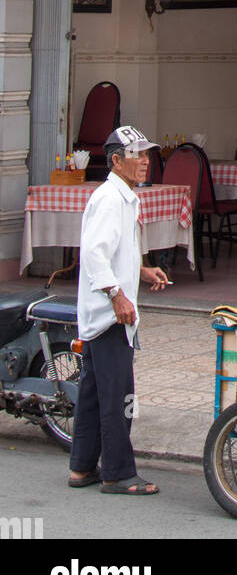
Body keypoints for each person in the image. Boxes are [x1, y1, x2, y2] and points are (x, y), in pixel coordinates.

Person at [68, 125, 169, 495]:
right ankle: (118, 473)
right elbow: (94, 254)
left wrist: (140, 271)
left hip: (104, 313)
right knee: (119, 396)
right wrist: (118, 295)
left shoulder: (124, 196)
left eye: (146, 155)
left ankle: (81, 467)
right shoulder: (111, 198)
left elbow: (114, 250)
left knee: (94, 392)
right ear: (116, 161)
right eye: (136, 155)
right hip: (110, 314)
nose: (145, 162)